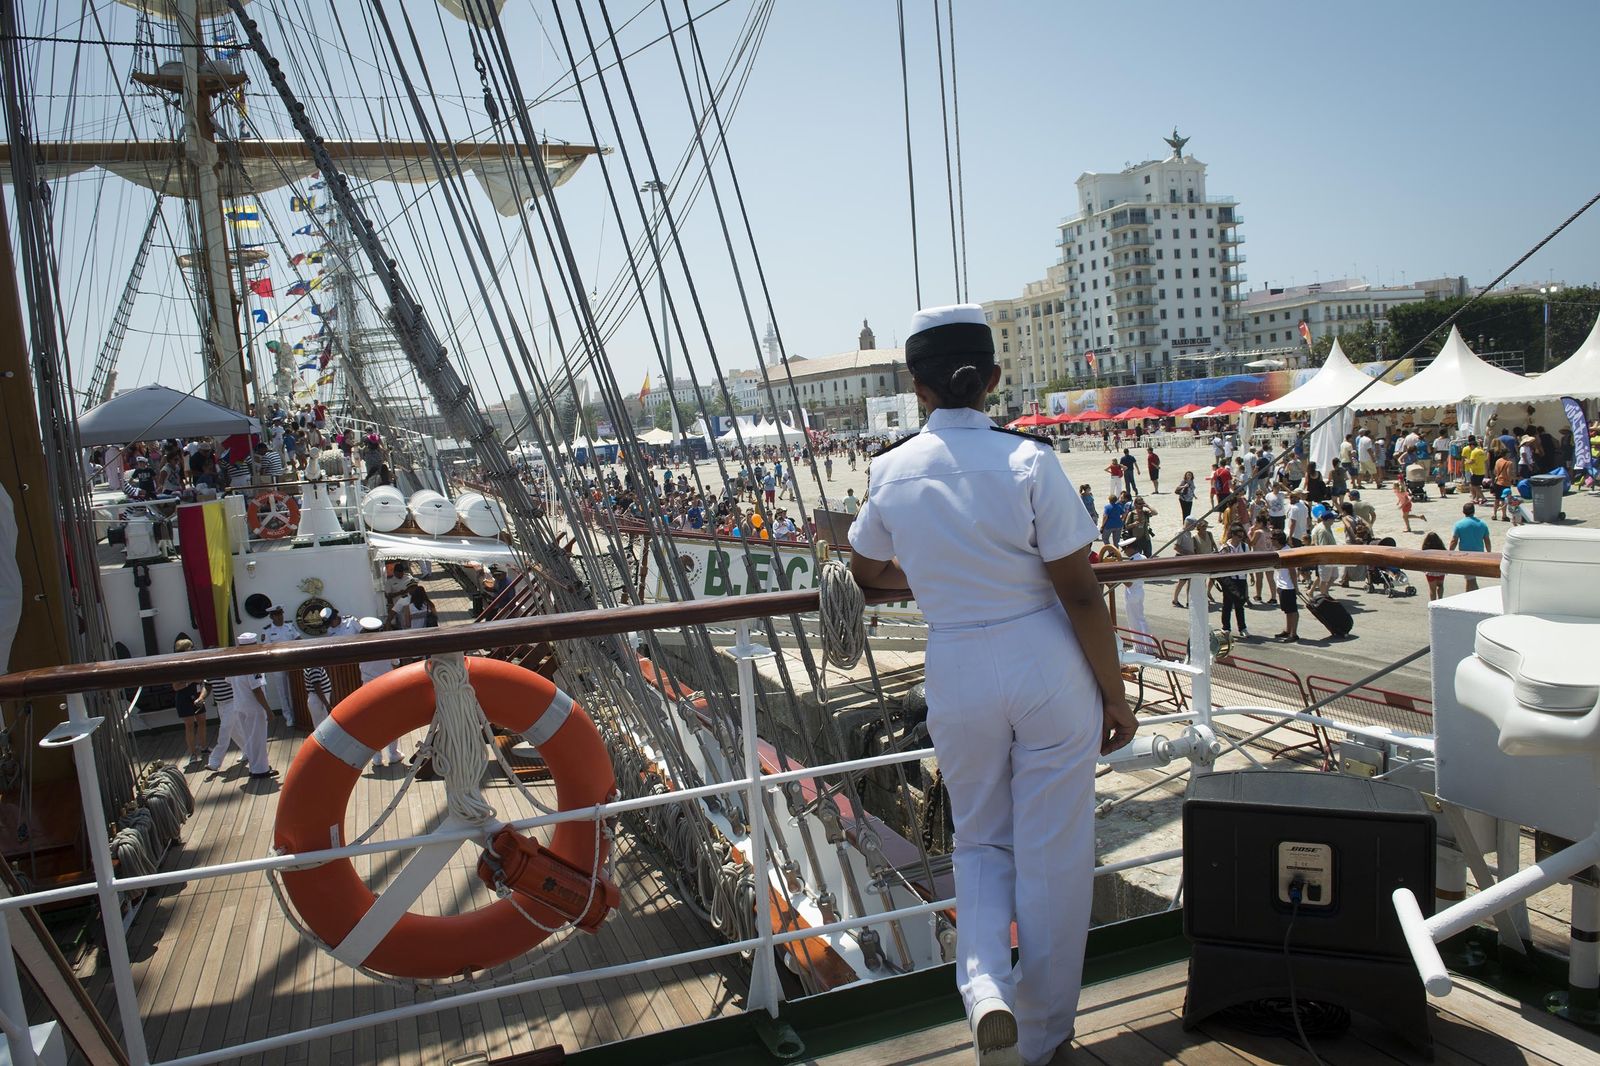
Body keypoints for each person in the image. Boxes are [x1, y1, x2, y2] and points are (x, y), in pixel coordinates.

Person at [847, 303, 1135, 1066]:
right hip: (1045, 660)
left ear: (917, 388)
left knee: (978, 840)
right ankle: (1040, 1038)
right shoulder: (1030, 461)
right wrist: (1114, 696)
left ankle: (983, 988)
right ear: (994, 380)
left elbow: (865, 571)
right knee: (1053, 854)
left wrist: (934, 575)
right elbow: (1081, 594)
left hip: (958, 665)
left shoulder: (891, 470)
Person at [206, 632, 276, 778]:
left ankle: (255, 767)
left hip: (240, 706)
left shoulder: (234, 664)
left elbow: (229, 681)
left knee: (250, 738)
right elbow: (257, 690)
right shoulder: (253, 664)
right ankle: (260, 770)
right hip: (254, 708)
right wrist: (268, 710)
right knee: (258, 739)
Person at [358, 616, 404, 767]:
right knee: (391, 721)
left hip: (368, 688)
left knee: (373, 724)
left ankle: (377, 758)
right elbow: (396, 663)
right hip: (386, 686)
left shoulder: (359, 647)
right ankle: (393, 754)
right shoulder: (387, 645)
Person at [259, 604, 300, 729]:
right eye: (276, 615)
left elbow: (299, 640)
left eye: (281, 614)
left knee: (295, 690)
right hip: (278, 665)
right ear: (271, 617)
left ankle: (298, 714)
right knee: (283, 692)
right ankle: (288, 717)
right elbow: (265, 648)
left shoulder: (289, 626)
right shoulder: (267, 630)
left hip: (293, 663)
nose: (280, 617)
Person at [171, 637, 208, 762]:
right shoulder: (176, 666)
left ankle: (204, 747)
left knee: (202, 721)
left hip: (196, 694)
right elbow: (176, 686)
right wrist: (191, 681)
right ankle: (192, 754)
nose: (193, 649)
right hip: (183, 697)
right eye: (191, 647)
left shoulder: (195, 663)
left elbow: (202, 680)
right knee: (189, 725)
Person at [1216, 522, 1252, 638]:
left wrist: (1250, 575)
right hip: (1229, 579)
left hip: (1241, 578)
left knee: (1240, 604)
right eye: (1239, 536)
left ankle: (1242, 628)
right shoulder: (1225, 548)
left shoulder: (1244, 547)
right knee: (1227, 604)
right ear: (1233, 535)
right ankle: (1226, 627)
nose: (1240, 538)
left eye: (1242, 536)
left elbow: (1248, 561)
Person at [1449, 502, 1491, 592]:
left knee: (1470, 579)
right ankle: (1473, 595)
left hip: (1465, 555)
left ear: (1463, 512)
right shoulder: (1482, 524)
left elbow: (1454, 541)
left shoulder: (1459, 524)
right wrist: (1489, 553)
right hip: (1479, 555)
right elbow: (1487, 540)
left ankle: (1471, 596)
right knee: (1471, 578)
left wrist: (1449, 553)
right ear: (1474, 511)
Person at [1270, 531, 1299, 642]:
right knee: (1287, 610)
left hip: (1288, 586)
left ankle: (1293, 634)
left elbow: (1292, 571)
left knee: (1292, 610)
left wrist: (1296, 587)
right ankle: (1288, 630)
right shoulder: (1280, 551)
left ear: (1277, 540)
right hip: (1282, 584)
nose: (1271, 541)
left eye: (1272, 539)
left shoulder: (1287, 552)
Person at [1310, 504, 1340, 597]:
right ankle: (1323, 596)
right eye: (1332, 519)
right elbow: (1323, 546)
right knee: (1324, 579)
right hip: (1326, 558)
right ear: (1328, 520)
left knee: (1334, 576)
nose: (1334, 520)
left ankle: (1323, 592)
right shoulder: (1323, 531)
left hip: (1332, 557)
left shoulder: (1326, 526)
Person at [1420, 531, 1448, 601]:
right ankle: (1440, 600)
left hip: (1430, 571)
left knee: (1432, 589)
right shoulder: (1442, 549)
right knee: (1440, 586)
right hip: (1440, 570)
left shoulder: (1426, 549)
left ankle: (1433, 603)